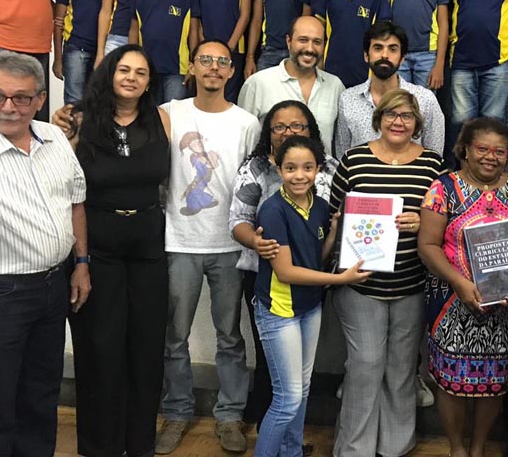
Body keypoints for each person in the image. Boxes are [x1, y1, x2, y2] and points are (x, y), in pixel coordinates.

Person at [61, 45, 171, 457]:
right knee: (99, 349)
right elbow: (69, 195)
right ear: (109, 73)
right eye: (124, 69)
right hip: (97, 248)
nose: (131, 78)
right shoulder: (79, 121)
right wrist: (81, 261)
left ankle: (139, 444)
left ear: (149, 81)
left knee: (145, 350)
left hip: (148, 248)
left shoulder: (162, 119)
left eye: (141, 72)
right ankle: (99, 447)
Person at [155, 40, 261, 455]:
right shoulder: (170, 112)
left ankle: (230, 415)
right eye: (205, 60)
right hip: (180, 240)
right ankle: (176, 411)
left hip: (229, 243)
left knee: (230, 335)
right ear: (192, 67)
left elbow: (253, 182)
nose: (214, 67)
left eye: (222, 62)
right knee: (174, 335)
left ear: (231, 71)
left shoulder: (247, 123)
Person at [329, 88, 447, 456]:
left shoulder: (433, 165)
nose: (399, 122)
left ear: (417, 123)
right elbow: (333, 214)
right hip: (360, 284)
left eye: (407, 116)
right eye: (391, 115)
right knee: (365, 366)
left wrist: (423, 223)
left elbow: (446, 222)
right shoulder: (354, 160)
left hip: (412, 284)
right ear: (378, 119)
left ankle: (396, 447)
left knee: (401, 370)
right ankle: (354, 450)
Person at [0, 51, 89, 456]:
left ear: (41, 99)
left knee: (41, 395)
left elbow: (76, 202)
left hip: (53, 286)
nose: (8, 107)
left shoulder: (55, 138)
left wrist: (81, 264)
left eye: (21, 97)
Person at [418, 117, 508, 457]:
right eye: (482, 149)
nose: (490, 157)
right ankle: (457, 448)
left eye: (500, 151)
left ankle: (479, 448)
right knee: (451, 381)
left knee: (494, 381)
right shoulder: (443, 189)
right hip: (452, 304)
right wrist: (460, 282)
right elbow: (427, 245)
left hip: (502, 308)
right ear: (465, 150)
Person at [253, 135, 371, 457]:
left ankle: (291, 453)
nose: (299, 175)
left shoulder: (319, 206)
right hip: (279, 310)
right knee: (287, 398)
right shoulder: (272, 210)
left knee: (302, 390)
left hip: (310, 307)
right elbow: (286, 272)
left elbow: (315, 258)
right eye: (290, 168)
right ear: (278, 168)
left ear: (318, 168)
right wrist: (340, 279)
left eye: (307, 167)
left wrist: (332, 232)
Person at [229, 100, 335, 435]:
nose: (288, 132)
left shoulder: (329, 167)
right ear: (269, 132)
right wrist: (255, 242)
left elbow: (336, 217)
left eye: (297, 125)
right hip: (266, 279)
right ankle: (267, 433)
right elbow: (237, 220)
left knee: (300, 376)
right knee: (271, 363)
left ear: (310, 130)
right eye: (279, 126)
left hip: (314, 277)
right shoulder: (256, 168)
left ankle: (289, 443)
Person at [334, 21, 444, 158]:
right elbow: (343, 156)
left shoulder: (425, 100)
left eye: (393, 49)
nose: (385, 55)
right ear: (366, 55)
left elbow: (434, 158)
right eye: (378, 48)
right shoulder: (348, 99)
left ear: (402, 58)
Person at [239, 15, 345, 157]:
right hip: (269, 171)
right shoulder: (258, 83)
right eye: (303, 40)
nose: (310, 48)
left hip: (323, 170)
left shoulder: (335, 86)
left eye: (317, 42)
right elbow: (242, 142)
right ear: (288, 41)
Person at [129, 0, 199, 103]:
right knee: (149, 113)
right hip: (146, 68)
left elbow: (194, 32)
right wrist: (133, 60)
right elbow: (133, 30)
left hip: (178, 69)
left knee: (173, 114)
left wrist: (193, 64)